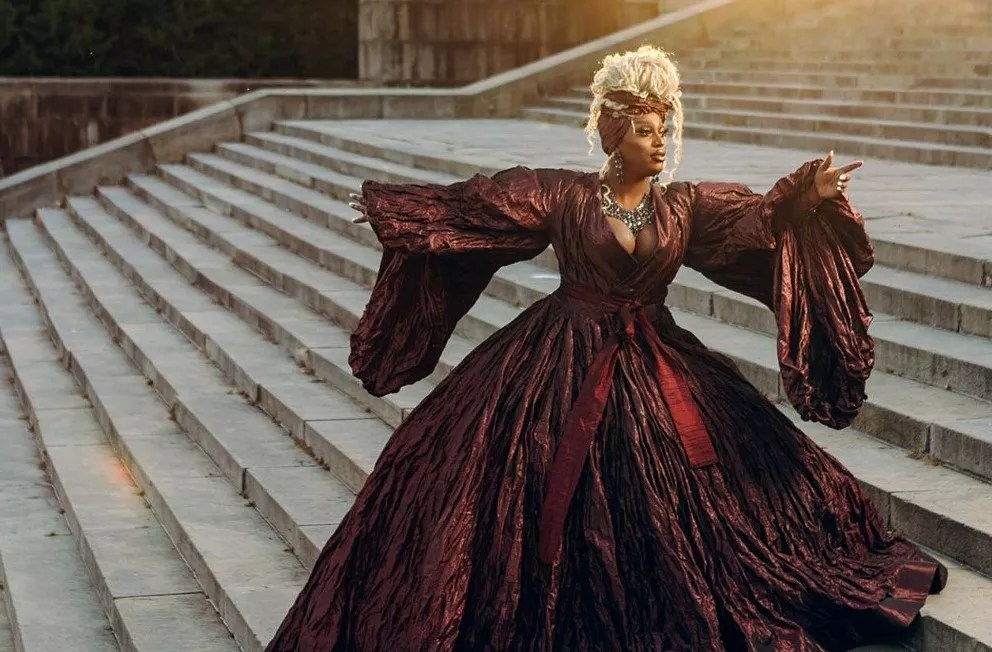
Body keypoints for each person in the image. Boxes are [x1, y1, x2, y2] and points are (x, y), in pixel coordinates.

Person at [265, 45, 946, 652]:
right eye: (647, 131)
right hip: (556, 358)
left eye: (664, 130)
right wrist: (408, 216)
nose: (660, 143)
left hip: (657, 357)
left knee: (712, 485)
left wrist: (808, 194)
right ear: (616, 134)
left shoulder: (681, 206)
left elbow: (754, 222)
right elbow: (481, 208)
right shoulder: (561, 194)